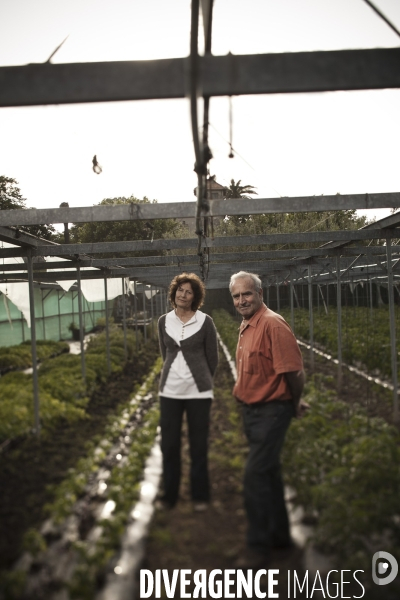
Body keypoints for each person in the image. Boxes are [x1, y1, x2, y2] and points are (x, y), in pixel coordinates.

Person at [229, 270, 307, 567]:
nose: (241, 300)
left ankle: (257, 549)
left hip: (272, 411)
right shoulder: (247, 324)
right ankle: (281, 539)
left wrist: (295, 402)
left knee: (254, 477)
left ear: (260, 293)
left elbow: (294, 372)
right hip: (253, 412)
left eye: (246, 294)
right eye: (236, 296)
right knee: (270, 474)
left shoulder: (272, 324)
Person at [157, 272, 218, 511]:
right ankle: (169, 496)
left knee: (198, 445)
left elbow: (212, 358)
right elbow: (165, 354)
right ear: (174, 293)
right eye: (180, 290)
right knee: (169, 445)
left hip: (198, 393)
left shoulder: (206, 321)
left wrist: (203, 380)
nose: (183, 294)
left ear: (195, 297)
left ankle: (200, 496)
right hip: (169, 391)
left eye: (188, 291)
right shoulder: (163, 321)